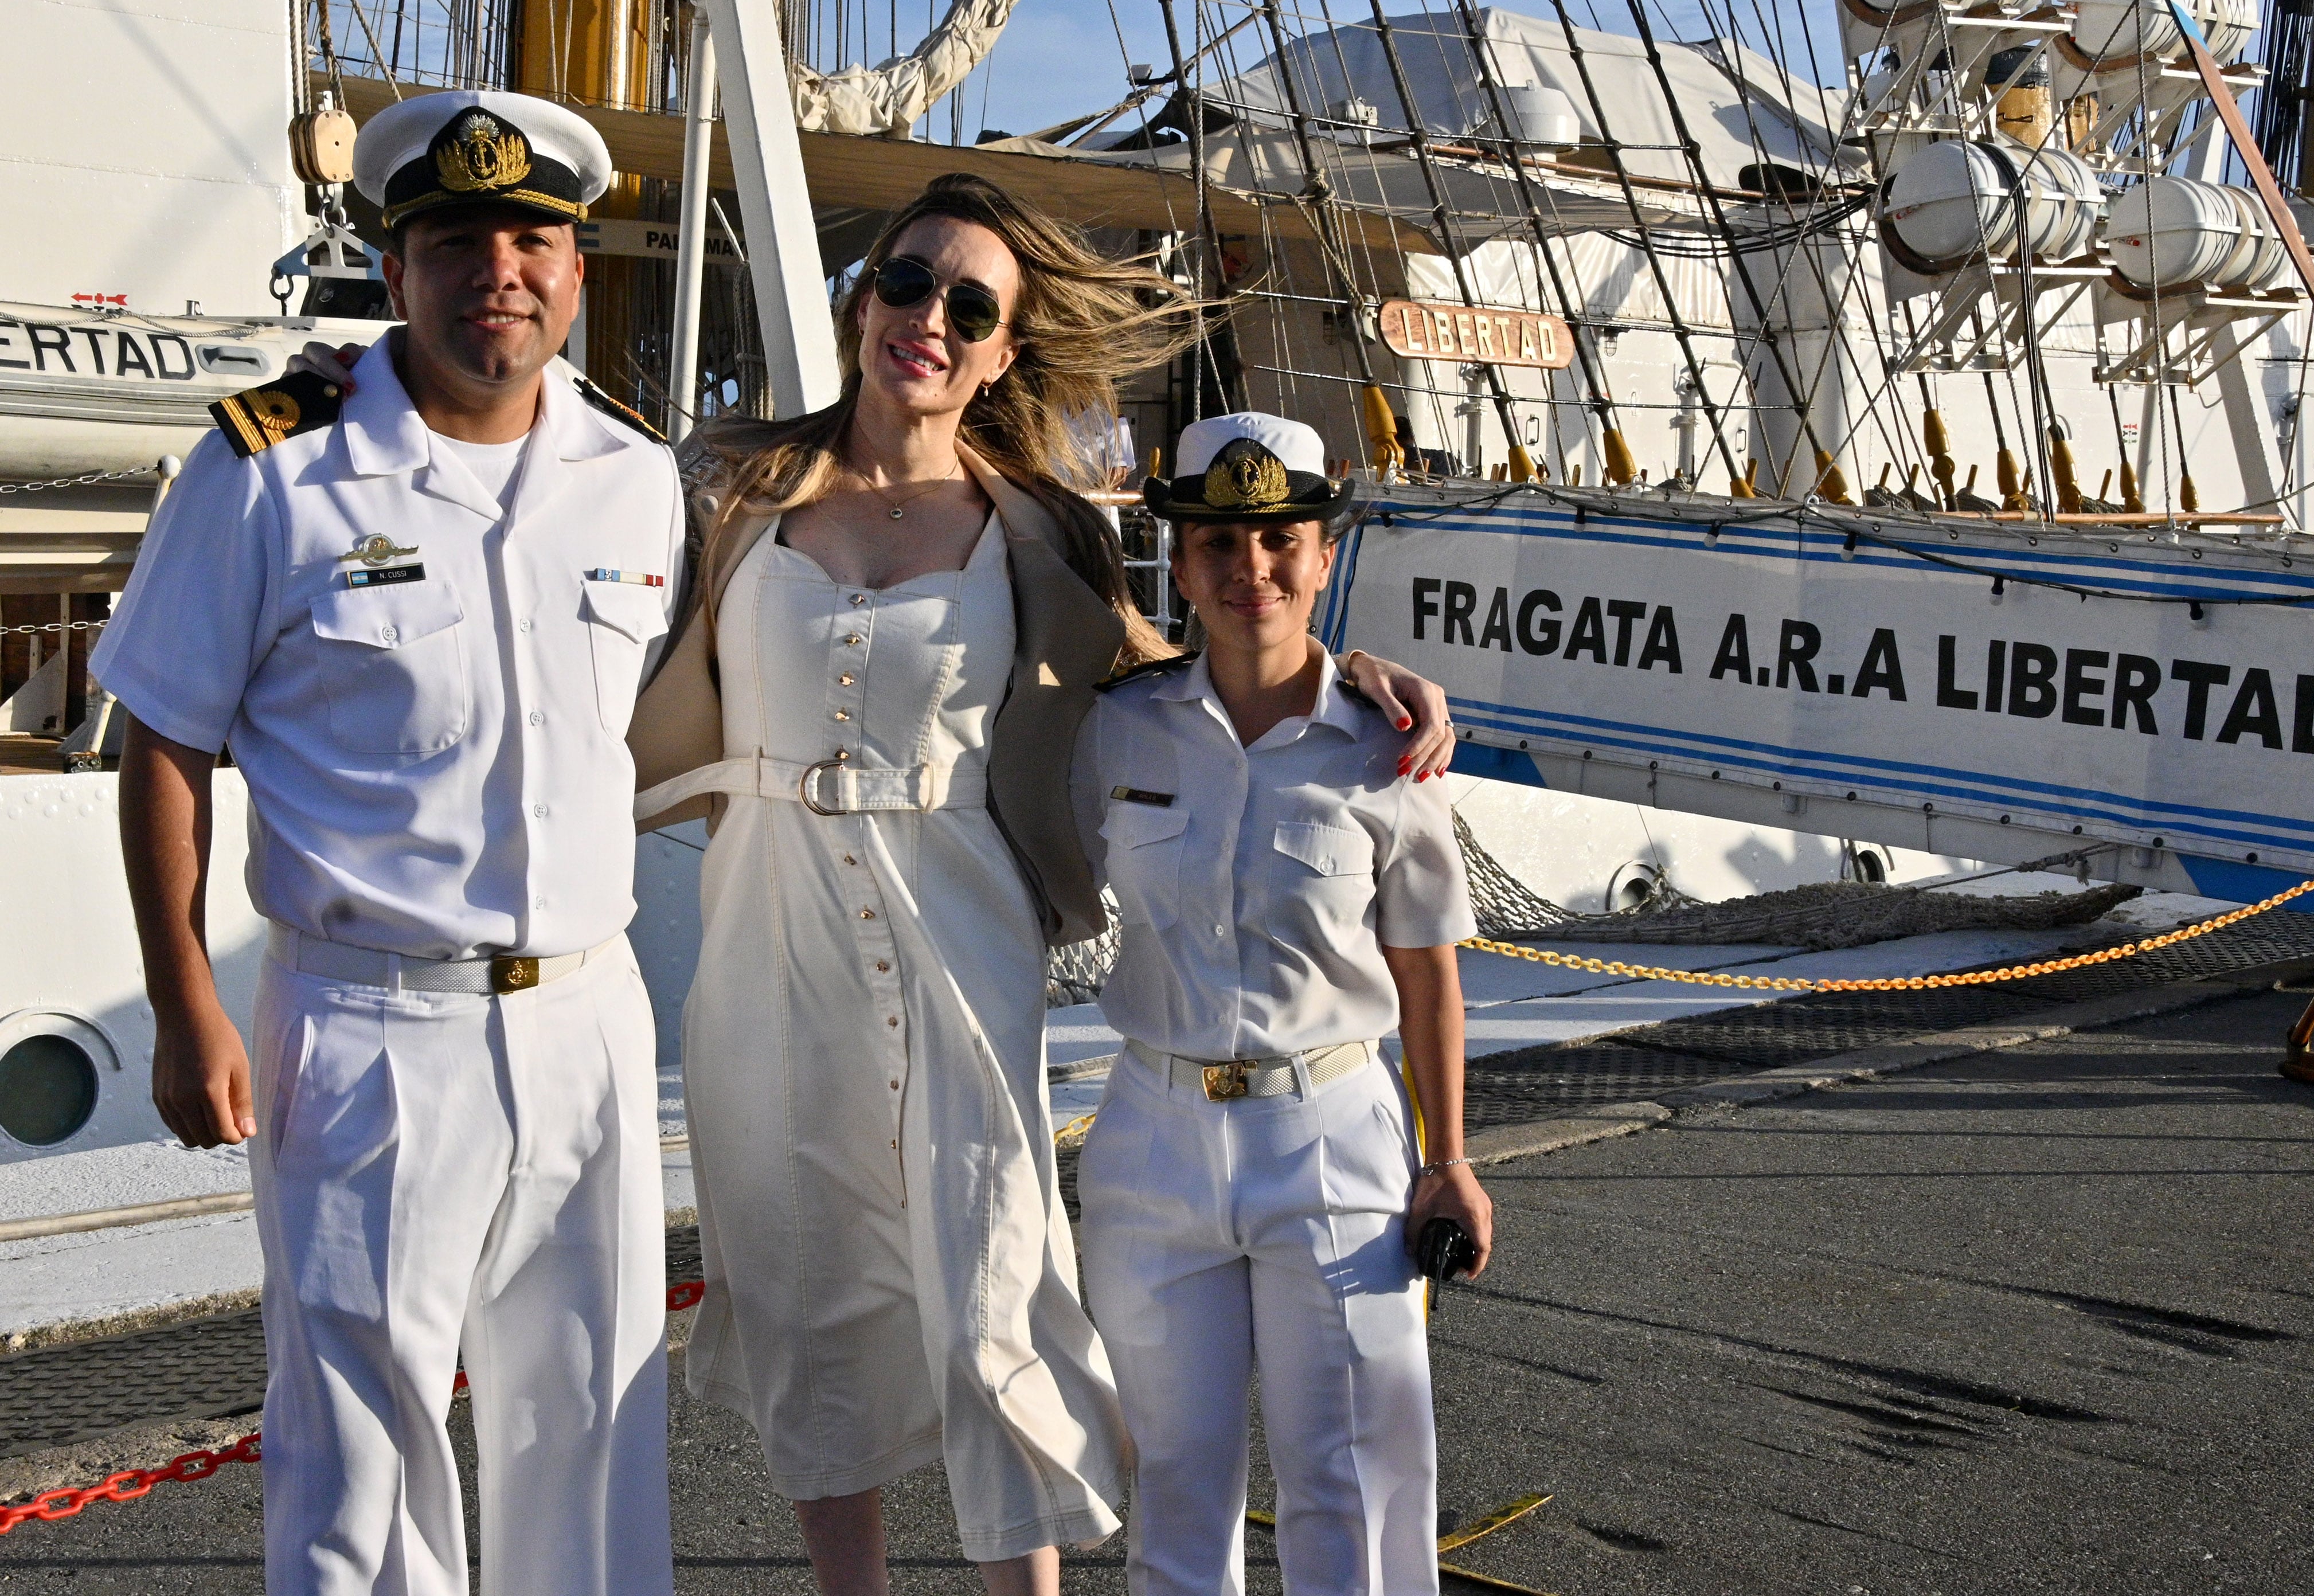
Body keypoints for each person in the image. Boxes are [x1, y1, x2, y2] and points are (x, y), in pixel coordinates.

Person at [625, 174, 1458, 1596]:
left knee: (992, 1261)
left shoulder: (1040, 526)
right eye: (907, 282)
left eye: (969, 306)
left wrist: (1353, 673)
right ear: (863, 296)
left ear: (1004, 349)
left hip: (960, 918)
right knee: (799, 1271)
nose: (928, 320)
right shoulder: (732, 487)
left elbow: (1171, 674)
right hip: (769, 927)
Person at [96, 91, 679, 1596]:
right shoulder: (271, 469)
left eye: (535, 236)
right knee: (363, 1452)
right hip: (366, 1022)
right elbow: (164, 737)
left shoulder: (635, 476)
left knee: (591, 1426)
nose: (504, 266)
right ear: (398, 262)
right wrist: (182, 1001)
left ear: (577, 263)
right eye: (459, 237)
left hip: (590, 1019)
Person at [1069, 412, 1494, 1596]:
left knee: (1353, 1487)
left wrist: (1448, 1160)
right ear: (1183, 563)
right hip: (1155, 1137)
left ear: (1320, 556)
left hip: (1334, 1135)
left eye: (1279, 541)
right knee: (1177, 1488)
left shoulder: (1386, 747)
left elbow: (1426, 973)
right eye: (1219, 544)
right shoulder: (1117, 728)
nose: (1250, 569)